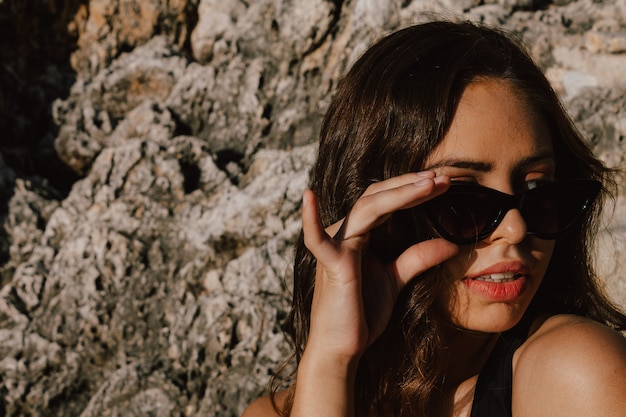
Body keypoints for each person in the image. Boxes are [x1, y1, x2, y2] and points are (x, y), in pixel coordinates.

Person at [243, 20, 626, 417]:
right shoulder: (276, 412)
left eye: (538, 192)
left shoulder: (577, 373)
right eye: (464, 203)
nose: (516, 229)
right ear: (381, 215)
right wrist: (330, 358)